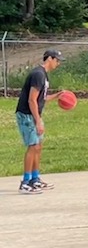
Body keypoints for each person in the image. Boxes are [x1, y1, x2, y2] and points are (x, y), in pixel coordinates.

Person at [15, 49, 65, 194]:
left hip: (33, 114)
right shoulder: (38, 74)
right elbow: (31, 100)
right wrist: (38, 121)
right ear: (49, 58)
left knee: (38, 146)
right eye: (57, 59)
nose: (58, 63)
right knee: (33, 146)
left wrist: (57, 96)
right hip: (27, 115)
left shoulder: (44, 75)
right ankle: (25, 183)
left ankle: (35, 179)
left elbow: (40, 98)